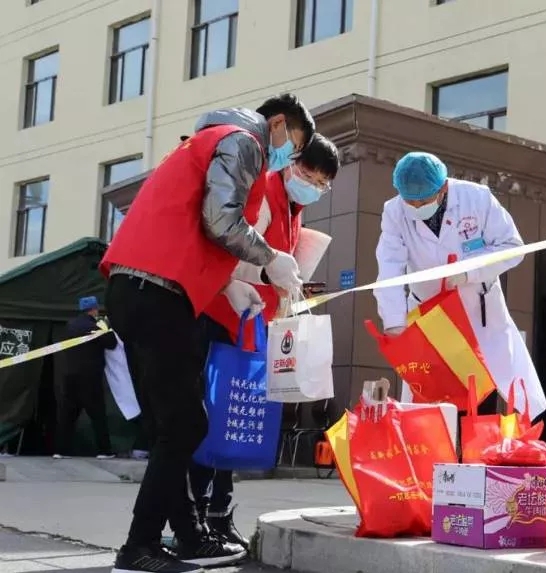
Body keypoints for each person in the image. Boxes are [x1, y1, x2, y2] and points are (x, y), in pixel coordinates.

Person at [101, 94, 314, 573]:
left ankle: (190, 536)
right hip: (159, 293)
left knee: (170, 427)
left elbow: (188, 225)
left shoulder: (201, 142)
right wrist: (270, 259)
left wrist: (230, 284)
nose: (289, 157)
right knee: (184, 426)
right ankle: (139, 547)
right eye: (295, 145)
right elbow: (220, 218)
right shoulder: (244, 141)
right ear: (278, 124)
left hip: (133, 287)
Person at [183, 133, 340, 551]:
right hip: (222, 319)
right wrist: (262, 275)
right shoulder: (265, 191)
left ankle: (217, 516)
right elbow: (234, 252)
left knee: (233, 422)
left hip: (251, 325)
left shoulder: (293, 208)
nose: (312, 186)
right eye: (308, 174)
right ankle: (193, 521)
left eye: (322, 183)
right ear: (292, 162)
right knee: (212, 422)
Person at [372, 151, 546, 420]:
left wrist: (469, 271)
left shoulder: (477, 199)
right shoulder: (394, 211)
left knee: (481, 391)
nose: (417, 207)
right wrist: (395, 324)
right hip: (430, 318)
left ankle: (476, 442)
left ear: (443, 188)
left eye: (424, 201)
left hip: (477, 312)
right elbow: (389, 268)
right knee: (433, 399)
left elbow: (512, 247)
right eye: (410, 201)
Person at [54, 296, 118, 460]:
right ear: (95, 309)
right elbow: (111, 343)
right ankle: (104, 451)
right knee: (97, 415)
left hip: (70, 376)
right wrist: (105, 327)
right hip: (90, 377)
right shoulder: (94, 327)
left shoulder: (70, 325)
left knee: (67, 415)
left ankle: (61, 450)